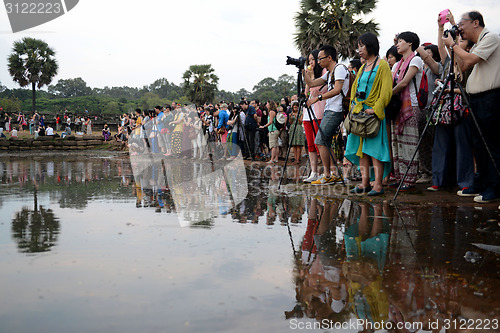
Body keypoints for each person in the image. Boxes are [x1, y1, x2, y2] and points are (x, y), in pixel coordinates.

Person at [443, 10, 500, 203]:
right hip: (475, 99)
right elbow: (463, 66)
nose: (459, 28)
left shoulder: (491, 38)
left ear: (475, 23)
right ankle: (481, 182)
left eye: (461, 23)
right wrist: (455, 46)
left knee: (490, 144)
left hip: (490, 99)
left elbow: (469, 60)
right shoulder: (476, 44)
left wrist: (453, 45)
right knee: (478, 144)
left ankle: (494, 186)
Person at [344, 32, 393, 196]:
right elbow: (355, 89)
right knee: (361, 150)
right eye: (358, 47)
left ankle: (377, 185)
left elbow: (386, 92)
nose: (359, 50)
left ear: (371, 45)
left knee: (374, 150)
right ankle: (364, 183)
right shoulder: (364, 66)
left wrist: (376, 109)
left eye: (362, 46)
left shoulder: (383, 65)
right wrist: (353, 107)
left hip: (372, 115)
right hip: (359, 114)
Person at [303, 45, 350, 185]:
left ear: (329, 58)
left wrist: (317, 99)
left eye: (320, 58)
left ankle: (327, 174)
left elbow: (337, 90)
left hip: (336, 110)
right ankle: (333, 173)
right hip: (329, 110)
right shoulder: (329, 73)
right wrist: (302, 70)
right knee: (325, 141)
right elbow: (311, 83)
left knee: (320, 141)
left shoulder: (340, 69)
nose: (318, 62)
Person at [391, 31, 424, 191]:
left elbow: (404, 83)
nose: (397, 44)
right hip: (399, 107)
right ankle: (400, 177)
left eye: (401, 41)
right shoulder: (397, 64)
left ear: (410, 43)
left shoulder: (416, 59)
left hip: (411, 106)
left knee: (409, 143)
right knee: (398, 143)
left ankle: (409, 179)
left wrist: (387, 95)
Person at [303, 49, 327, 183]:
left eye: (313, 59)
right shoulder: (309, 74)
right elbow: (307, 93)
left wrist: (311, 77)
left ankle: (326, 172)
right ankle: (314, 171)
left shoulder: (324, 73)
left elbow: (319, 91)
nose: (312, 62)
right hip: (308, 113)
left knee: (321, 143)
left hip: (319, 111)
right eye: (310, 60)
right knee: (310, 144)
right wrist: (306, 78)